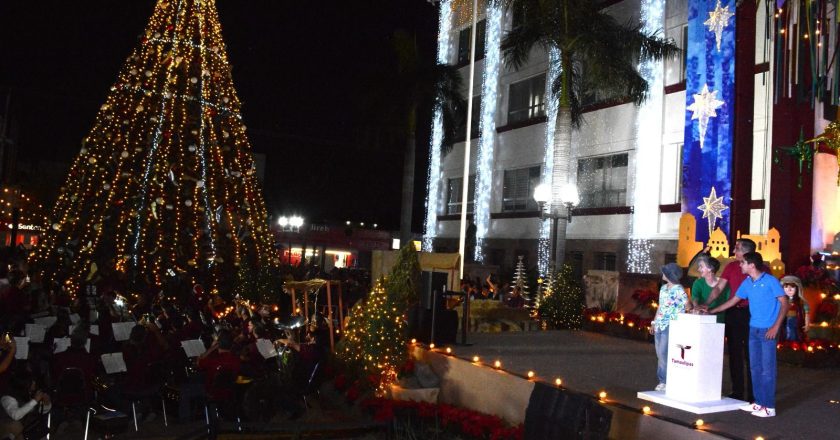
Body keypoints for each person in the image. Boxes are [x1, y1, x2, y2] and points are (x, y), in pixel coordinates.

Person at [709, 252, 788, 417]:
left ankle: (769, 406)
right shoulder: (747, 282)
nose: (740, 265)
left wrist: (775, 327)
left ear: (752, 265)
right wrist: (711, 310)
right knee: (755, 368)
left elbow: (784, 303)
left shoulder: (770, 281)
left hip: (767, 330)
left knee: (767, 369)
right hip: (753, 329)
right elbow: (733, 301)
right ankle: (758, 403)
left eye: (743, 263)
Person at [703, 238, 756, 401]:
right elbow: (719, 287)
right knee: (734, 352)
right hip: (733, 312)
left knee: (750, 353)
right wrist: (706, 304)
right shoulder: (731, 266)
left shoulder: (761, 268)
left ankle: (754, 394)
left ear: (746, 252)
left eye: (737, 248)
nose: (734, 251)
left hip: (751, 313)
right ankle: (737, 391)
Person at [650, 263, 690, 392]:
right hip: (660, 324)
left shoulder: (678, 289)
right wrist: (654, 322)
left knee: (663, 353)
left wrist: (681, 313)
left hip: (671, 324)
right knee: (659, 353)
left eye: (665, 272)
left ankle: (664, 380)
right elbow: (660, 307)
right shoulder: (663, 288)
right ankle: (663, 380)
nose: (662, 274)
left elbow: (687, 305)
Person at [0, 370, 51, 440]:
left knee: (39, 426)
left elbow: (40, 412)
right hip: (5, 429)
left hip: (26, 425)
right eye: (31, 382)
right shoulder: (7, 398)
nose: (34, 383)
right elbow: (16, 415)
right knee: (15, 425)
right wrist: (35, 400)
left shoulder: (29, 393)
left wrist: (46, 402)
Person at [691, 254, 728, 323]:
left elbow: (728, 301)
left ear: (710, 268)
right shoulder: (698, 283)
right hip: (701, 318)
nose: (698, 269)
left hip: (720, 320)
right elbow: (695, 298)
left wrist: (712, 311)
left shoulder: (724, 284)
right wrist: (697, 307)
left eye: (701, 266)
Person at [779, 275, 809, 342]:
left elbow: (807, 314)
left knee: (794, 334)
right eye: (786, 287)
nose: (789, 289)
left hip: (796, 321)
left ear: (797, 288)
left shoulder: (801, 302)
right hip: (783, 322)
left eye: (792, 287)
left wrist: (807, 324)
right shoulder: (780, 301)